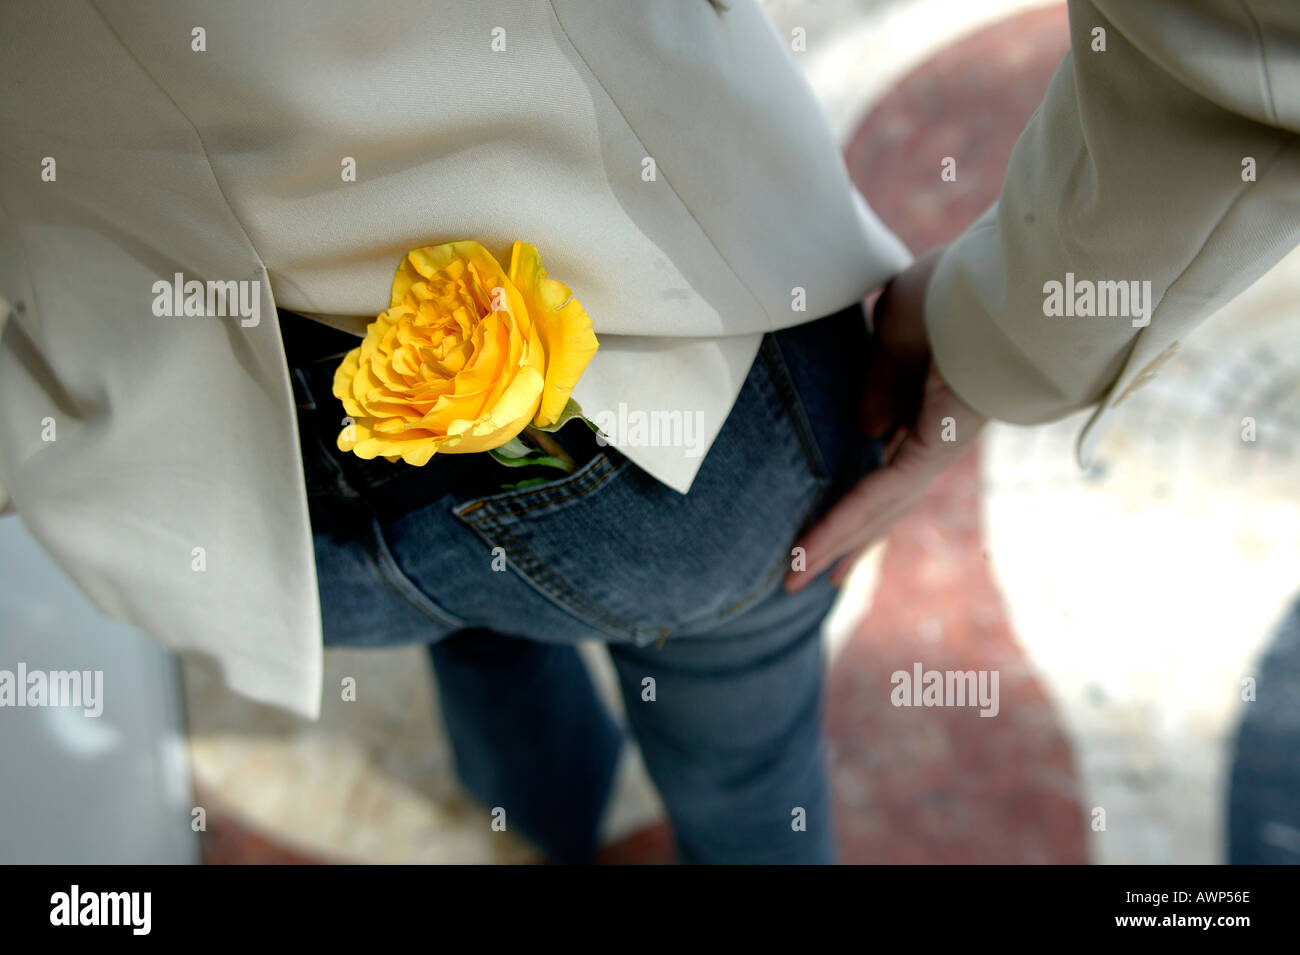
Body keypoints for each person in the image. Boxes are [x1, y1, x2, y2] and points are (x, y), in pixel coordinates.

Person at [0, 0, 1296, 863]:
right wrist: (998, 345)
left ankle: (551, 830)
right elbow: (1237, 50)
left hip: (207, 480)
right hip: (674, 403)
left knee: (481, 645)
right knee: (744, 765)